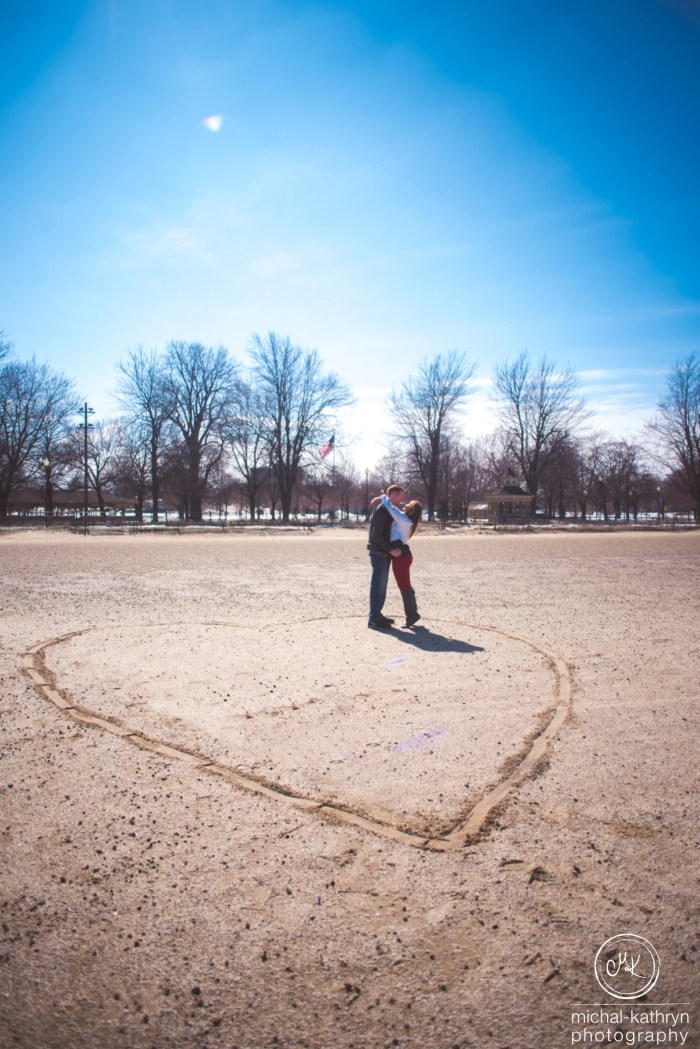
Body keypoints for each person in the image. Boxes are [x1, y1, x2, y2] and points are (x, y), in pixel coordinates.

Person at [377, 492, 422, 628]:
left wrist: (383, 497)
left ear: (411, 510)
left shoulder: (404, 519)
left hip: (401, 557)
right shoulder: (404, 519)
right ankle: (414, 614)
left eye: (409, 504)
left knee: (404, 587)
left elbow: (391, 509)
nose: (406, 504)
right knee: (405, 586)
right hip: (402, 555)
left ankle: (412, 616)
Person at [366, 484, 405, 629]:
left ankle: (377, 614)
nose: (402, 500)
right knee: (378, 585)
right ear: (393, 495)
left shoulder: (388, 508)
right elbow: (377, 534)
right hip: (379, 552)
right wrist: (391, 550)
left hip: (383, 552)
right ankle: (374, 618)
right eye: (400, 496)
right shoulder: (383, 509)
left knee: (381, 585)